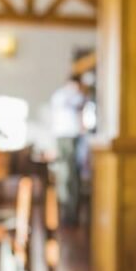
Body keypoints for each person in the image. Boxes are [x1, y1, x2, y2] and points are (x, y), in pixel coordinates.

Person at [50, 75, 86, 226]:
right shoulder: (63, 96)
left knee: (71, 176)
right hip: (64, 138)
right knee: (65, 175)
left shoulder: (77, 97)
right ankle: (65, 213)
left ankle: (70, 214)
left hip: (73, 138)